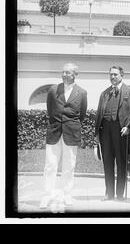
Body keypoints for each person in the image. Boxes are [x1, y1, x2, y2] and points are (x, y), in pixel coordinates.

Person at [39, 63, 87, 209]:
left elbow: (82, 114)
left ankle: (67, 194)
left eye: (68, 72)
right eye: (63, 72)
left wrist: (70, 124)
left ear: (75, 75)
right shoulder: (53, 90)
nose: (64, 75)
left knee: (69, 165)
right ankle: (47, 195)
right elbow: (50, 108)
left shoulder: (82, 92)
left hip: (71, 132)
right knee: (50, 165)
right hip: (54, 131)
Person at [95, 66, 130, 201]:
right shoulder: (105, 93)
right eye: (110, 75)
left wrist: (128, 127)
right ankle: (109, 193)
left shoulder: (129, 91)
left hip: (121, 130)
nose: (112, 77)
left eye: (115, 74)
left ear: (122, 75)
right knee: (107, 162)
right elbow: (99, 113)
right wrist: (97, 133)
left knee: (121, 162)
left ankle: (119, 194)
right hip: (105, 129)